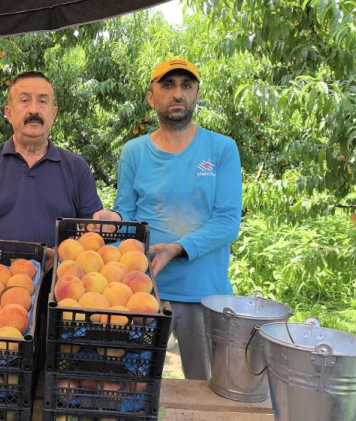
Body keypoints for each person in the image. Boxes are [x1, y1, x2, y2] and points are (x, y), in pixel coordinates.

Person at [113, 58, 242, 380]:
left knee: (205, 388)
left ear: (196, 94)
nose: (178, 94)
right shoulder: (134, 152)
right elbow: (126, 215)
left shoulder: (221, 149)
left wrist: (177, 248)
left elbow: (227, 223)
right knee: (134, 385)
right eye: (168, 85)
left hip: (204, 294)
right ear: (151, 97)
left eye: (187, 86)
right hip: (144, 291)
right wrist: (110, 218)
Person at [0, 71, 118, 249]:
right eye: (24, 100)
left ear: (53, 114)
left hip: (59, 267)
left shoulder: (77, 168)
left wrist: (106, 223)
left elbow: (91, 230)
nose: (33, 110)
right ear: (9, 113)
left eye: (42, 101)